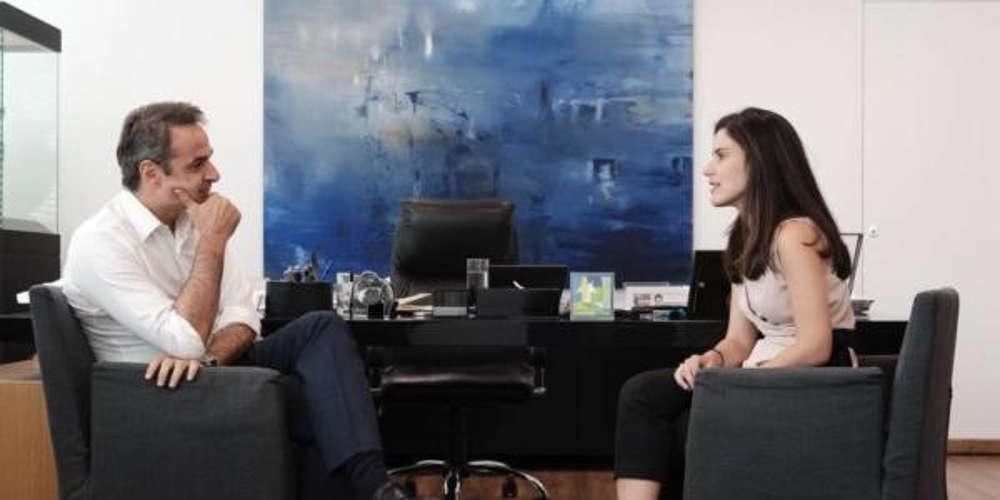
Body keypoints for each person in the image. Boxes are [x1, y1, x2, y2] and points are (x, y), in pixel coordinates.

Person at [62, 102, 410, 500]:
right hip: (157, 395)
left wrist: (210, 359)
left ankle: (376, 488)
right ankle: (375, 488)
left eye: (209, 159)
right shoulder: (101, 241)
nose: (214, 174)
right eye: (198, 164)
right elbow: (183, 341)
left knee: (322, 327)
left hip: (208, 369)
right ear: (151, 173)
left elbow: (243, 316)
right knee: (315, 399)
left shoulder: (192, 222)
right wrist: (212, 242)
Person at [614, 107, 856, 500]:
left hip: (815, 376)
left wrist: (740, 381)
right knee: (643, 393)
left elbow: (816, 346)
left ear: (759, 162)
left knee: (682, 426)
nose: (707, 169)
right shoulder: (746, 238)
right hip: (766, 370)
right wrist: (710, 360)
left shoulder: (795, 235)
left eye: (721, 155)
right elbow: (738, 341)